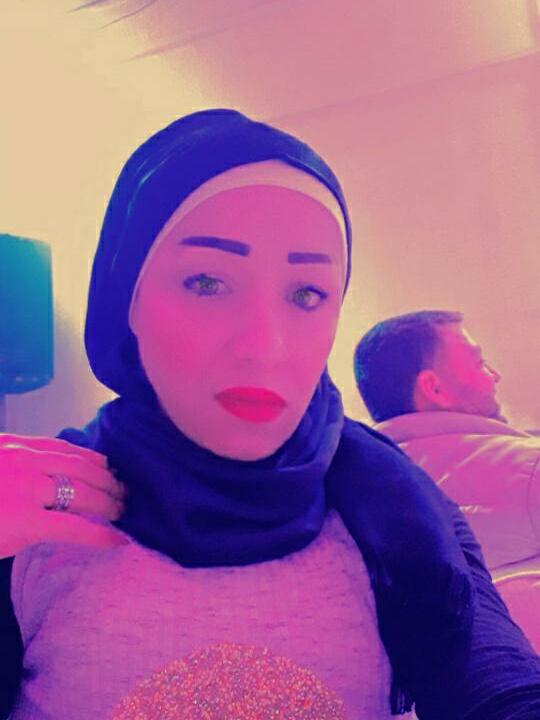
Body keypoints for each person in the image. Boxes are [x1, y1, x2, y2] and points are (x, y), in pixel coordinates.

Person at [1, 113, 539, 720]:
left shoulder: (402, 510)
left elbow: (499, 686)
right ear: (126, 299)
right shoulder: (29, 519)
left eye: (307, 294)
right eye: (207, 282)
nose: (264, 346)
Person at [354, 309, 540, 650]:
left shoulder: (354, 493)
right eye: (480, 364)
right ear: (435, 389)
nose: (495, 376)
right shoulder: (527, 468)